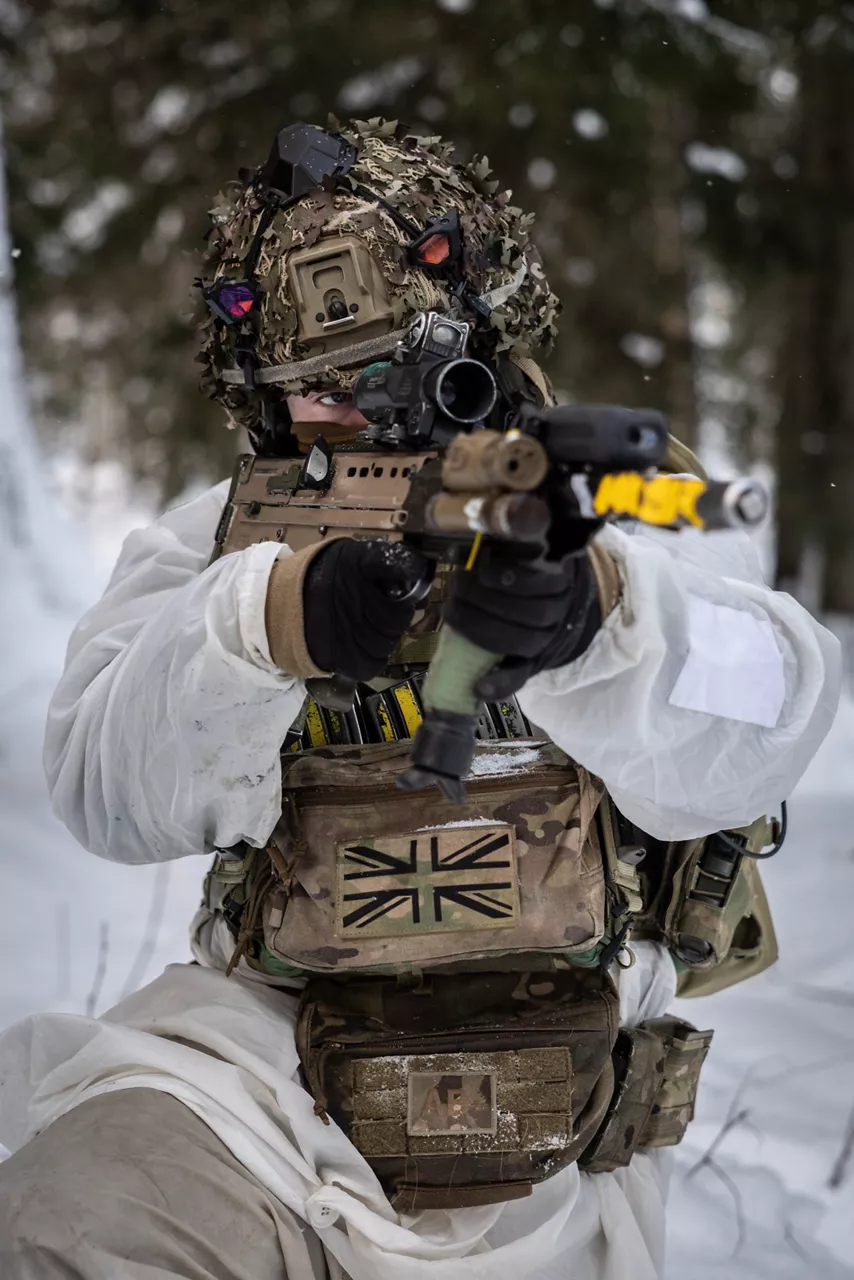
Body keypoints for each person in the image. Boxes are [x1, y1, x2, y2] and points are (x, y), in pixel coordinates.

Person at [0, 119, 841, 1280]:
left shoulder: (613, 499)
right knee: (74, 1218)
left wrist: (602, 616)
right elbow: (99, 786)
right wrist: (267, 623)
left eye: (386, 374)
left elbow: (778, 705)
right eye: (306, 394)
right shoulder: (217, 536)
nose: (345, 417)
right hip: (263, 1080)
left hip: (555, 1146)